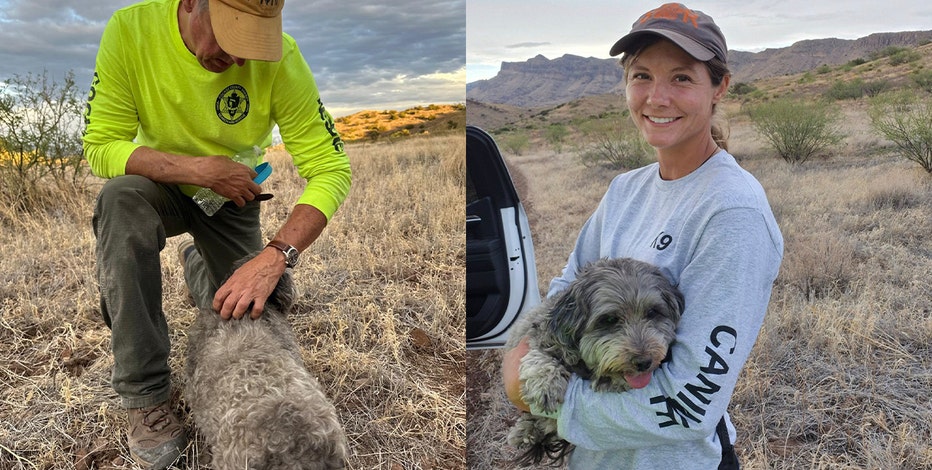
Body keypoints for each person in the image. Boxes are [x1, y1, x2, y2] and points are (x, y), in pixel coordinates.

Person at [502, 3, 783, 469]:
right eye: (642, 76)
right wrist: (527, 358)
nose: (657, 97)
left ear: (719, 87)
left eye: (682, 78)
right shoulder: (626, 189)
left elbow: (690, 402)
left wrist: (543, 401)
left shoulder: (732, 211)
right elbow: (564, 292)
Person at [82, 0, 351, 467]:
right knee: (119, 200)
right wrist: (197, 170)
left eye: (255, 42)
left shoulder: (283, 57)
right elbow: (100, 146)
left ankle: (198, 265)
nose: (241, 59)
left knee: (254, 305)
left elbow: (331, 168)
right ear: (191, 4)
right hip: (160, 185)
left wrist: (276, 256)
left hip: (233, 197)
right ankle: (145, 394)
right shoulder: (130, 30)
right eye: (232, 36)